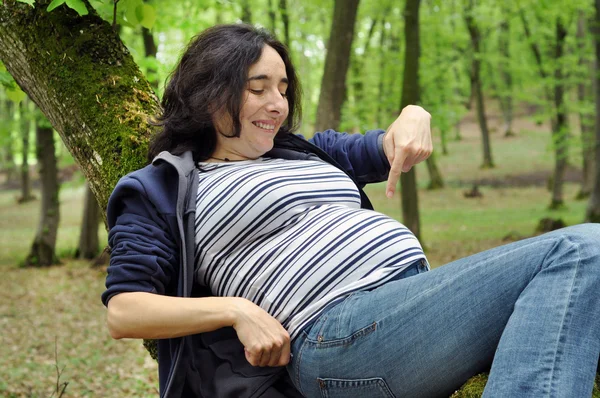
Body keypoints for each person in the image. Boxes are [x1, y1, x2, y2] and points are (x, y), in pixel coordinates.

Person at [102, 24, 600, 398]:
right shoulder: (163, 188)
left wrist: (413, 116)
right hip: (337, 337)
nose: (276, 104)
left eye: (282, 88)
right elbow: (125, 311)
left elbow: (385, 143)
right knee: (582, 248)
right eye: (257, 88)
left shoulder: (306, 152)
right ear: (208, 93)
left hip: (408, 309)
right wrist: (236, 310)